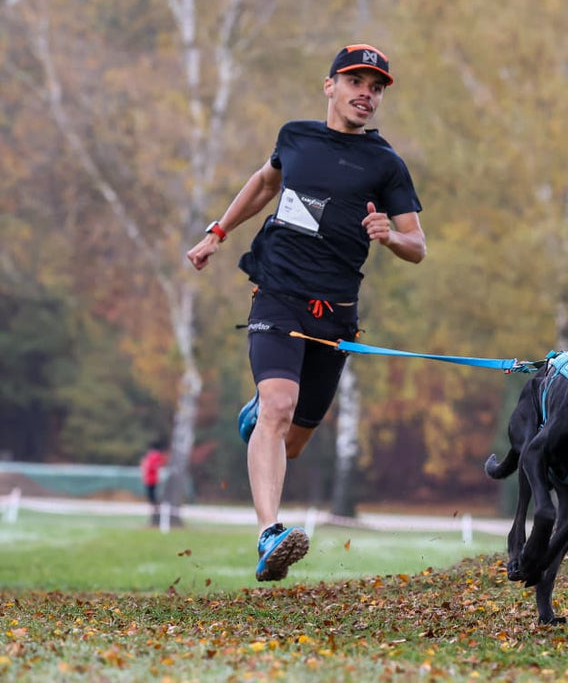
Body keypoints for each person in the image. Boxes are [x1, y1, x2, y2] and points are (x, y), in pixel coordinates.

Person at [185, 44, 426, 582]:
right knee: (279, 406)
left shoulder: (386, 164)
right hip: (278, 294)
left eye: (376, 88)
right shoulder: (294, 137)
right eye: (356, 82)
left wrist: (390, 237)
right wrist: (217, 232)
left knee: (292, 440)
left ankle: (260, 413)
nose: (366, 94)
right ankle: (269, 534)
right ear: (330, 86)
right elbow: (264, 183)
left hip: (335, 314)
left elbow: (418, 245)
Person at [139, 443, 168, 526]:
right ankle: (154, 507)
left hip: (152, 480)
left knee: (152, 495)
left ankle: (155, 507)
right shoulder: (153, 457)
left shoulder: (153, 457)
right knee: (151, 495)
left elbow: (152, 467)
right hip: (150, 480)